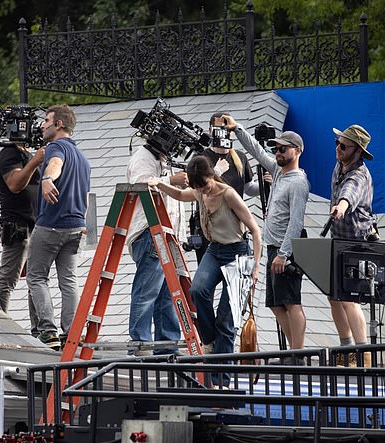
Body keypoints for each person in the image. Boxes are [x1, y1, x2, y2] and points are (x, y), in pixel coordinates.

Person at [149, 155, 262, 387]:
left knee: (226, 320)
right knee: (198, 290)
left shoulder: (228, 194)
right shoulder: (200, 192)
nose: (204, 191)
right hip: (215, 250)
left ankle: (222, 380)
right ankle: (208, 340)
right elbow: (180, 195)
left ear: (212, 176)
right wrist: (159, 183)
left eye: (205, 185)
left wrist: (256, 266)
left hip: (238, 253)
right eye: (199, 187)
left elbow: (255, 230)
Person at [222, 115, 310, 354]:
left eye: (283, 148)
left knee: (292, 301)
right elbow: (258, 152)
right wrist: (237, 128)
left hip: (287, 248)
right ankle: (295, 351)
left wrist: (284, 254)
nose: (278, 152)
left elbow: (296, 221)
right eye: (277, 148)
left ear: (297, 151)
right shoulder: (279, 172)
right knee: (274, 303)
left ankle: (297, 354)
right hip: (274, 247)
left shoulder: (298, 182)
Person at [26, 105, 91, 351]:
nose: (42, 125)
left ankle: (48, 331)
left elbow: (54, 163)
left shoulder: (56, 147)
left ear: (59, 124)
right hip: (76, 227)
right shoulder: (83, 159)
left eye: (46, 120)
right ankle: (72, 332)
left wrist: (46, 179)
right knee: (69, 280)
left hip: (51, 225)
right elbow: (86, 197)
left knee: (36, 276)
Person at [125, 138, 188, 355]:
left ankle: (167, 344)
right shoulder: (143, 157)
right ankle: (141, 343)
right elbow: (139, 185)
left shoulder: (162, 160)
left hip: (166, 233)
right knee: (148, 289)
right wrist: (171, 179)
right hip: (150, 232)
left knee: (168, 292)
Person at [328, 125, 376, 367]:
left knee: (349, 298)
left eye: (343, 146)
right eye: (337, 142)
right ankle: (347, 349)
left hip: (357, 243)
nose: (337, 148)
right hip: (339, 241)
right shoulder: (340, 166)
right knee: (335, 297)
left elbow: (350, 194)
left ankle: (362, 352)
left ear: (357, 151)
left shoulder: (359, 174)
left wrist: (341, 206)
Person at [0, 140, 44, 336]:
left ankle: (39, 329)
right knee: (8, 278)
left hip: (35, 224)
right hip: (17, 225)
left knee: (36, 279)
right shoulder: (8, 154)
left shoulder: (26, 153)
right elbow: (14, 184)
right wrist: (35, 161)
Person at [192, 112, 259, 260]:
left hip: (233, 225)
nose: (222, 133)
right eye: (218, 129)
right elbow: (194, 187)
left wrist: (267, 185)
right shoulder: (202, 157)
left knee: (234, 279)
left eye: (226, 128)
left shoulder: (239, 157)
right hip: (211, 225)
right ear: (210, 131)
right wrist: (216, 172)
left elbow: (248, 188)